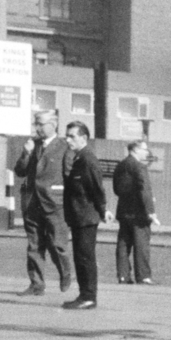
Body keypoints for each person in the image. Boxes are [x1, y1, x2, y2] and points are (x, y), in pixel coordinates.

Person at [13, 109, 73, 296]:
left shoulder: (65, 146)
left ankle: (65, 273)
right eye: (35, 123)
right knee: (34, 244)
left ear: (53, 125)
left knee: (58, 244)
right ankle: (36, 284)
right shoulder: (32, 145)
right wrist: (26, 154)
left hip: (55, 202)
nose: (36, 127)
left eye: (40, 124)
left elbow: (69, 175)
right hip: (32, 202)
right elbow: (20, 171)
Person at [61, 121, 107, 309]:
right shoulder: (79, 158)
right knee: (81, 256)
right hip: (79, 216)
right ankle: (84, 295)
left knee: (85, 257)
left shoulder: (88, 159)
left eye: (72, 136)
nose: (68, 139)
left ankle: (89, 297)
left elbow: (96, 188)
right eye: (67, 135)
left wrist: (103, 210)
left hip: (86, 216)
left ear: (84, 138)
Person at [113, 138, 159, 284]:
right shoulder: (139, 167)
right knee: (141, 245)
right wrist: (150, 211)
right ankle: (143, 276)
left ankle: (123, 275)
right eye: (145, 149)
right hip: (139, 212)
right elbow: (144, 190)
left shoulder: (120, 166)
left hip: (123, 210)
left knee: (123, 244)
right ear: (136, 150)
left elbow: (116, 189)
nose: (146, 152)